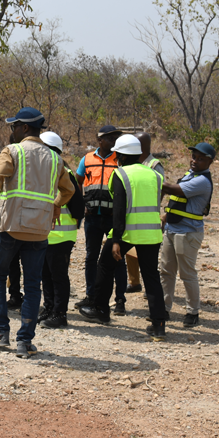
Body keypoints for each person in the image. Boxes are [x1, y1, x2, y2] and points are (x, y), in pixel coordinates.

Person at [0, 107, 58, 358]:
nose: (12, 130)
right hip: (39, 231)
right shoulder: (55, 158)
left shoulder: (13, 152)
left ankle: (0, 332)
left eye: (14, 126)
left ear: (24, 128)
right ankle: (25, 341)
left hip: (11, 228)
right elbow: (69, 189)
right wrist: (56, 205)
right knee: (33, 284)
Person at [77, 134, 169, 339]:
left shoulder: (121, 174)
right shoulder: (154, 174)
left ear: (122, 156)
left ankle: (101, 310)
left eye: (117, 155)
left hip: (127, 231)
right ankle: (159, 325)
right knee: (151, 276)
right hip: (151, 232)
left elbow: (118, 210)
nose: (116, 158)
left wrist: (116, 240)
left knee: (104, 265)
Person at [159, 142, 216, 327]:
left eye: (200, 159)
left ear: (209, 162)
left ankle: (193, 312)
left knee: (187, 274)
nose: (195, 161)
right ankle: (164, 308)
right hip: (173, 229)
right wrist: (166, 216)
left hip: (188, 232)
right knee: (166, 271)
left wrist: (153, 178)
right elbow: (177, 201)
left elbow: (173, 190)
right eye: (194, 157)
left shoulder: (202, 181)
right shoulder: (190, 175)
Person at [77, 125, 128, 313]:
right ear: (100, 140)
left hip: (113, 218)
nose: (114, 141)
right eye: (110, 138)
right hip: (92, 217)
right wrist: (82, 204)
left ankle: (120, 299)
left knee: (118, 257)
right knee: (91, 257)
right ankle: (91, 296)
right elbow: (78, 182)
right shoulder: (87, 159)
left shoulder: (120, 160)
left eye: (116, 138)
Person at [38, 131, 83, 328]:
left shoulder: (65, 173)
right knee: (46, 275)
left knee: (58, 277)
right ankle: (49, 309)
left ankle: (60, 314)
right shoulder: (44, 171)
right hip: (46, 234)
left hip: (62, 235)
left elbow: (78, 207)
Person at [125, 132, 165, 294]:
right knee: (130, 250)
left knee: (146, 256)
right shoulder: (131, 161)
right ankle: (134, 282)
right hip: (132, 214)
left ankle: (151, 289)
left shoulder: (154, 165)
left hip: (147, 216)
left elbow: (160, 190)